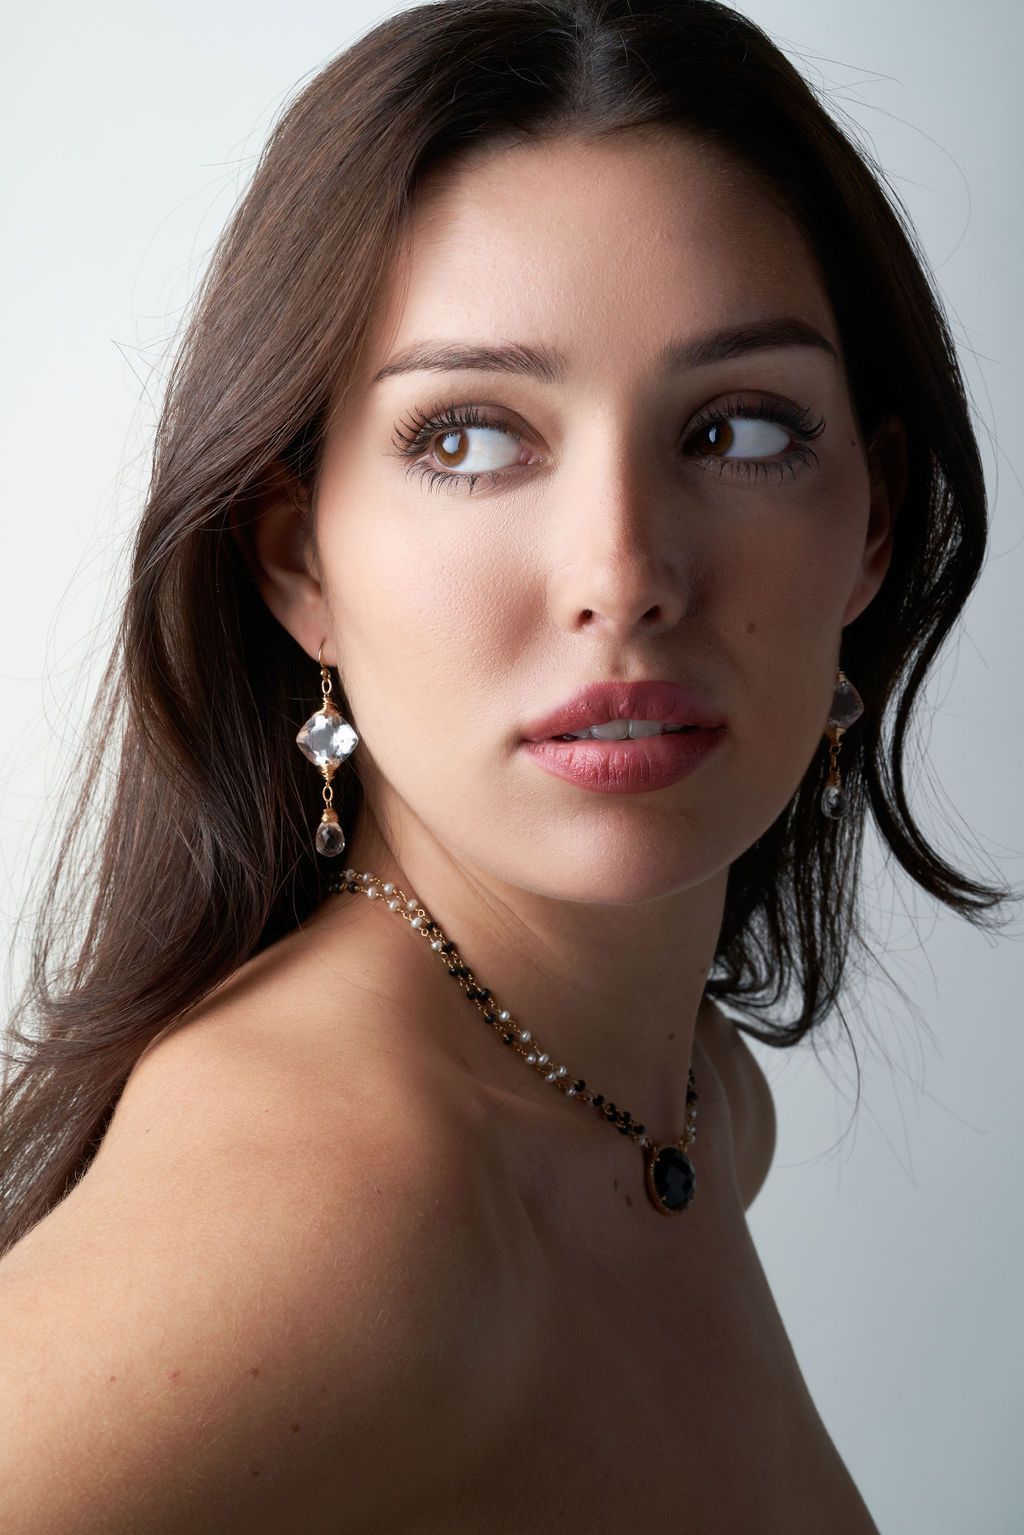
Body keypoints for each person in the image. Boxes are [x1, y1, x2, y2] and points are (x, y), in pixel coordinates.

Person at [0, 1, 1016, 1530]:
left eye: (738, 430)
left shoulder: (688, 1103)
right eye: (471, 439)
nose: (623, 573)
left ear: (872, 527)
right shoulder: (335, 1212)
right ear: (299, 564)